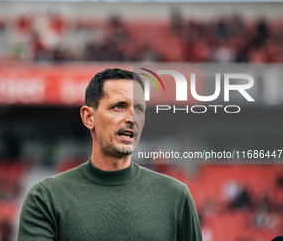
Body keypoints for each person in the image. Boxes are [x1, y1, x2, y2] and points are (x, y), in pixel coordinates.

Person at [18, 68, 202, 241]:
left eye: (139, 109)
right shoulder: (46, 197)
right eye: (119, 107)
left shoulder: (176, 196)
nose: (132, 119)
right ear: (89, 117)